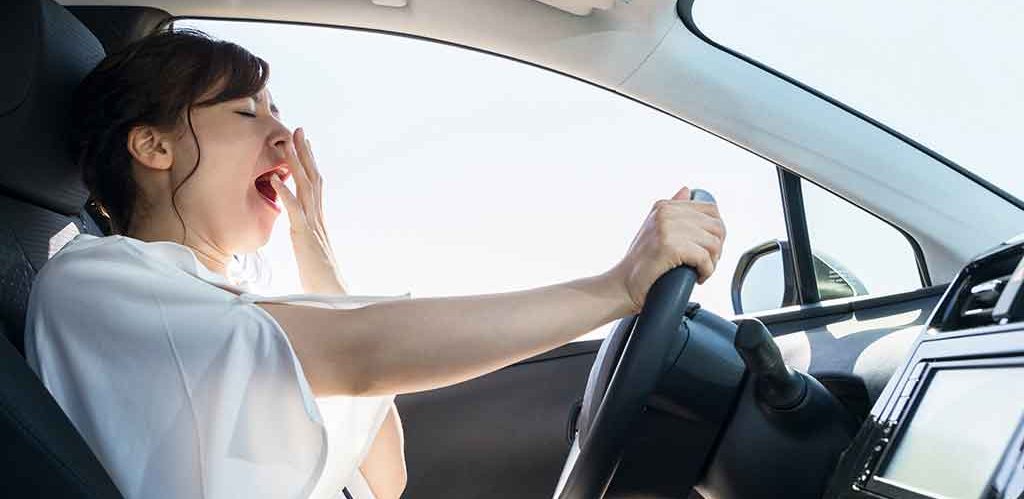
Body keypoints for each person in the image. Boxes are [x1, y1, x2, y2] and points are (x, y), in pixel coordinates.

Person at [23, 28, 726, 499]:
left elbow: (385, 476)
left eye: (278, 110)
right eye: (244, 113)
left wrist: (317, 254)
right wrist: (614, 286)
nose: (284, 136)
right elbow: (361, 352)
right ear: (153, 146)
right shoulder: (97, 281)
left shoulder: (232, 294)